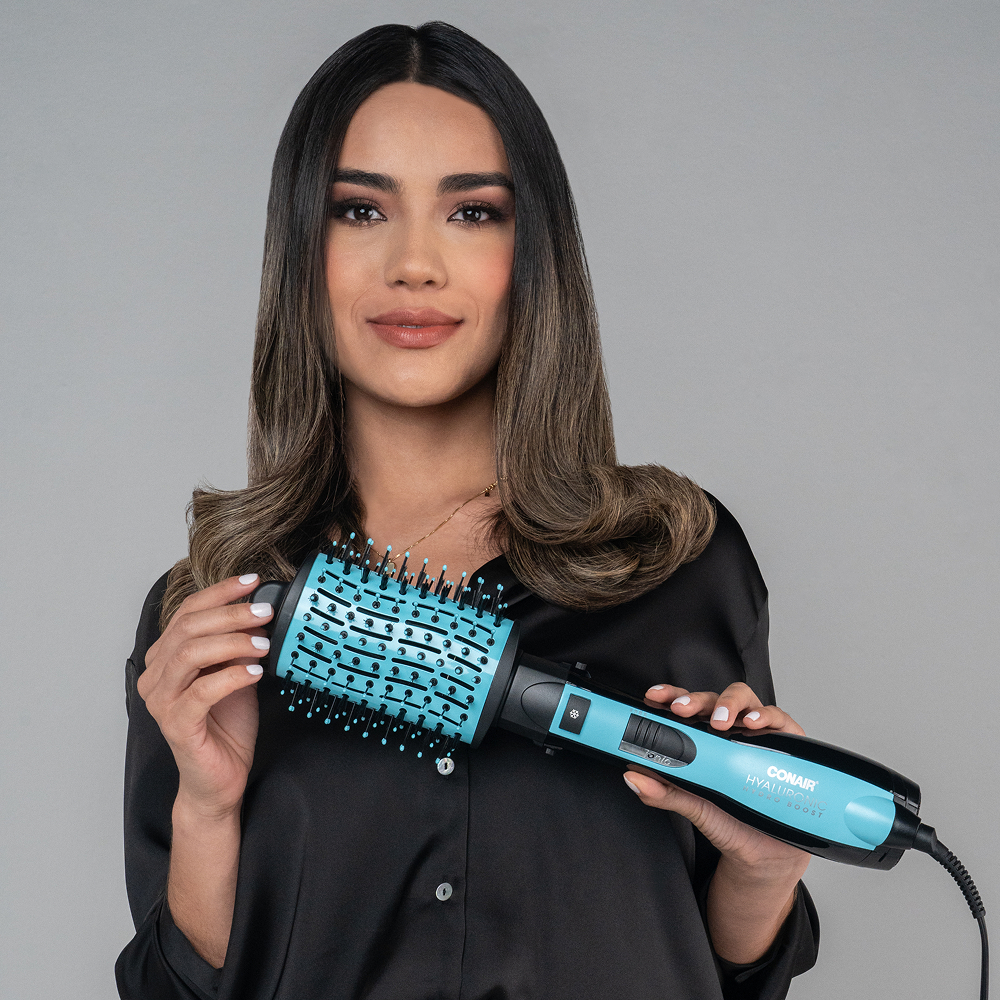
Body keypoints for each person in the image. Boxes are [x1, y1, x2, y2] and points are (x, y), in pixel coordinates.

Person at [116, 21, 819, 1000]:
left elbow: (729, 974)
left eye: (471, 212)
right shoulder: (215, 620)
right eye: (360, 210)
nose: (414, 264)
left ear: (530, 253)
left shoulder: (677, 562)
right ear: (302, 250)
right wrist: (206, 804)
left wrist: (764, 869)